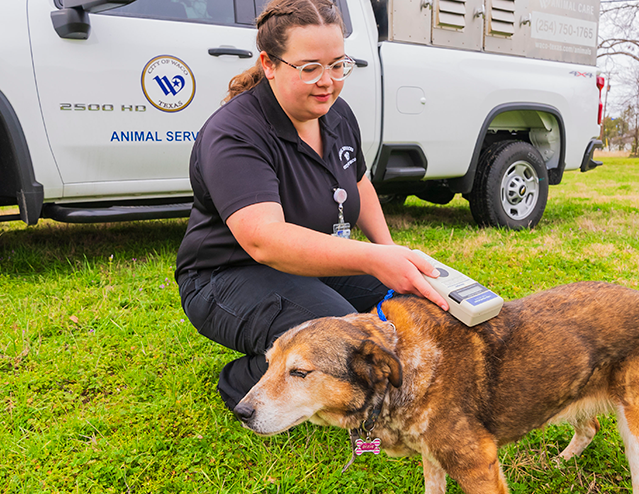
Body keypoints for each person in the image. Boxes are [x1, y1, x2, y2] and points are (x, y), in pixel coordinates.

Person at [175, 0, 447, 412]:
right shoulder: (233, 134)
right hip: (226, 277)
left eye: (338, 65)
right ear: (269, 64)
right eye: (310, 68)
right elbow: (265, 241)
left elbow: (359, 184)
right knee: (342, 338)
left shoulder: (336, 115)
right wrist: (373, 259)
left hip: (313, 263)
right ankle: (246, 377)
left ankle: (303, 357)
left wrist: (392, 255)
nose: (328, 81)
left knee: (416, 308)